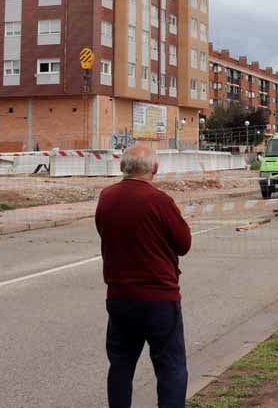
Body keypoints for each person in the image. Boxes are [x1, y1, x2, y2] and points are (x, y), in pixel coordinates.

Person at [96, 144, 192, 408]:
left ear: (121, 167)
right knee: (170, 366)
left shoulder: (106, 197)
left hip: (119, 297)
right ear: (155, 169)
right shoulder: (160, 201)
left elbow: (103, 231)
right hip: (159, 297)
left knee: (121, 365)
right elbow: (183, 243)